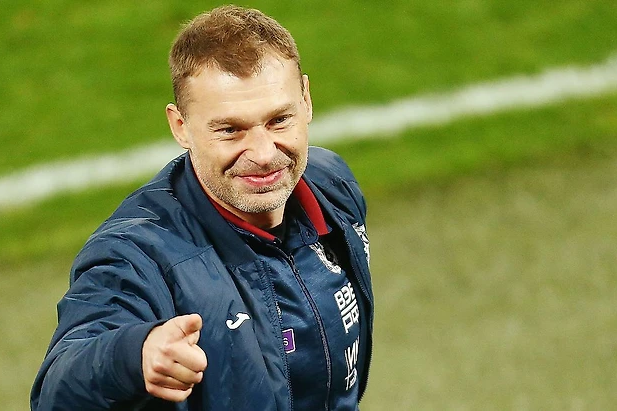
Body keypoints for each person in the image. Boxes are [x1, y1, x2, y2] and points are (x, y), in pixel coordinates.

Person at [31, 5, 374, 410]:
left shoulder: (331, 185)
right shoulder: (138, 253)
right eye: (230, 130)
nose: (264, 154)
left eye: (279, 120)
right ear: (181, 127)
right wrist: (133, 356)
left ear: (306, 99)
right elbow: (57, 389)